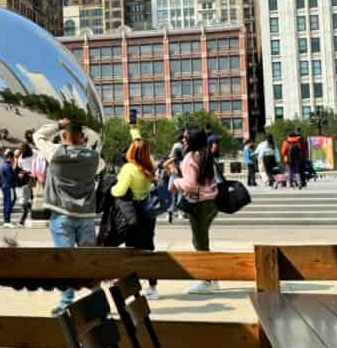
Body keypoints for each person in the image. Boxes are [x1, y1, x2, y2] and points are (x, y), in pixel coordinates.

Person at [34, 118, 103, 315]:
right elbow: (98, 165)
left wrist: (58, 124)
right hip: (86, 214)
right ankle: (97, 301)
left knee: (66, 262)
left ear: (64, 137)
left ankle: (66, 304)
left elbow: (37, 135)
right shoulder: (93, 157)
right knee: (89, 261)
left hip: (62, 213)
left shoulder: (55, 153)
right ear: (82, 137)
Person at [169, 128, 219, 294]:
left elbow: (190, 184)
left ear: (192, 140)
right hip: (212, 202)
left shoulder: (190, 157)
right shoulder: (205, 154)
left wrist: (176, 182)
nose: (183, 140)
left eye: (185, 137)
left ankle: (206, 280)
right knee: (203, 240)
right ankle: (213, 277)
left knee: (200, 243)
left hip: (198, 205)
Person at [110, 139, 159, 298]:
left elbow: (118, 191)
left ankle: (133, 290)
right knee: (148, 249)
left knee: (131, 251)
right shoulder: (149, 164)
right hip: (148, 212)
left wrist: (111, 187)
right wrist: (134, 129)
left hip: (133, 213)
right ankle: (153, 288)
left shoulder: (129, 168)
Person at [0, 149, 17, 227]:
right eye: (13, 157)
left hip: (5, 185)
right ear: (10, 157)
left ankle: (6, 220)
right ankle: (7, 220)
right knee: (9, 202)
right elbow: (10, 177)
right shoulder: (7, 166)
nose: (13, 159)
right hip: (9, 186)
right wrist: (17, 177)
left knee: (7, 202)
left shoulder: (4, 164)